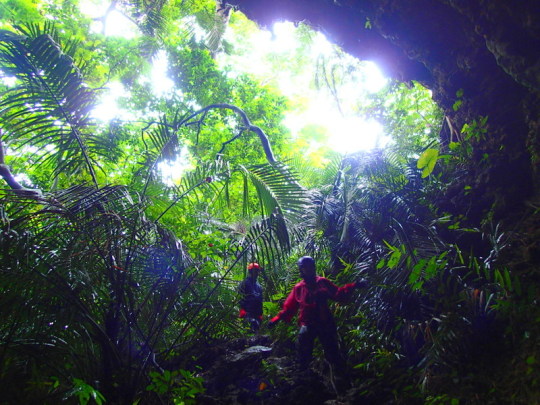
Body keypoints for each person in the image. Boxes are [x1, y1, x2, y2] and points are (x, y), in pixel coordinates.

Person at [268, 256, 368, 371]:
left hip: (325, 322)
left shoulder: (322, 282)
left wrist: (355, 285)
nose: (309, 270)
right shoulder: (299, 288)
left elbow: (338, 293)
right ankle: (303, 377)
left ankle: (339, 376)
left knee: (332, 352)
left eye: (311, 267)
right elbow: (289, 307)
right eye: (306, 268)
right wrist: (276, 319)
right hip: (307, 324)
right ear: (301, 270)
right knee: (303, 352)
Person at [238, 262, 264, 332]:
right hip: (247, 313)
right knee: (248, 332)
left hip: (257, 314)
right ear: (250, 271)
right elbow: (240, 298)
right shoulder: (244, 283)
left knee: (257, 332)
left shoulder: (259, 286)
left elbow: (260, 300)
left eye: (258, 271)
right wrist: (242, 311)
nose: (257, 273)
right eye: (255, 270)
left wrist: (261, 314)